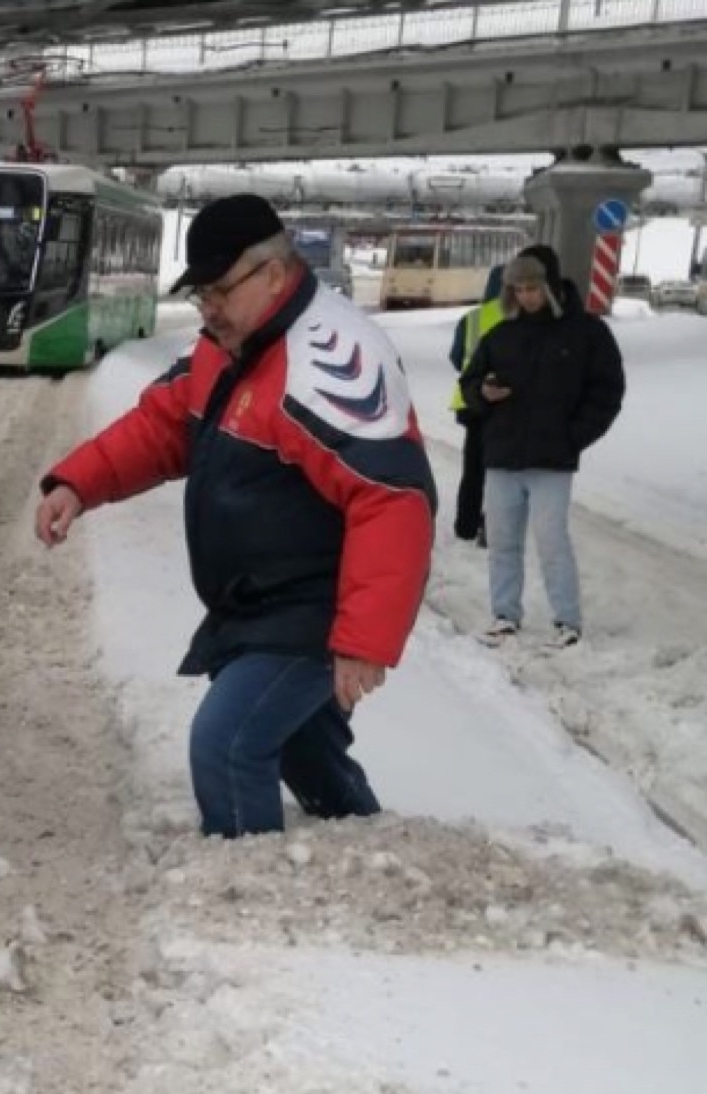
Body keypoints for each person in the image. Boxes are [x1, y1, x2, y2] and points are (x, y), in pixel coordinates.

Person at [33, 194, 436, 839]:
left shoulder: (331, 359)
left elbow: (394, 498)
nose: (208, 308)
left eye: (219, 290)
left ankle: (249, 894)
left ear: (273, 275)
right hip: (256, 604)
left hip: (310, 610)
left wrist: (363, 641)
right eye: (201, 295)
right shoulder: (231, 344)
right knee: (308, 754)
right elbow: (165, 425)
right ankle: (365, 857)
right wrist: (79, 484)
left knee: (226, 745)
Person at [457, 245, 624, 648]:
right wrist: (483, 392)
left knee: (552, 540)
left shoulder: (587, 333)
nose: (526, 296)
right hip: (502, 456)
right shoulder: (500, 334)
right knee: (502, 540)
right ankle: (504, 614)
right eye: (518, 289)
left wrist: (575, 436)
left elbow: (607, 391)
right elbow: (469, 383)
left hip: (553, 459)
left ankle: (567, 620)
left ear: (549, 285)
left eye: (532, 287)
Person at [447, 264, 505, 545]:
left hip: (471, 403)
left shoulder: (471, 318)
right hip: (505, 404)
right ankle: (492, 525)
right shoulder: (518, 319)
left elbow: (456, 357)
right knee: (500, 469)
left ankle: (465, 525)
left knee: (473, 468)